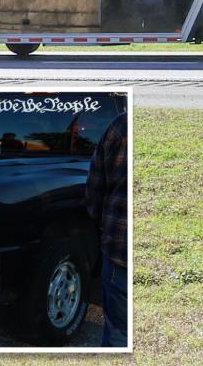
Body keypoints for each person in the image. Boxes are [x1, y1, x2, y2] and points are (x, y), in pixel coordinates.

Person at [85, 114, 128, 347]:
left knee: (119, 335)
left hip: (119, 255)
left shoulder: (120, 126)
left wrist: (104, 226)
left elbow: (94, 191)